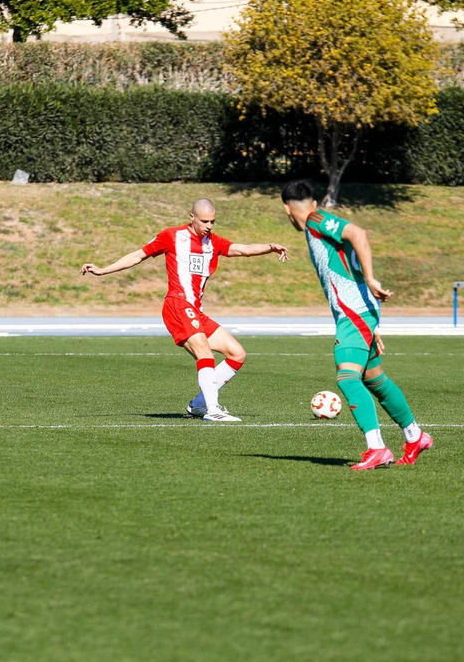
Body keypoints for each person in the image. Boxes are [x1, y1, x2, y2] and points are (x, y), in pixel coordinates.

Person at [81, 198, 288, 423]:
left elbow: (243, 249)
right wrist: (103, 270)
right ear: (192, 217)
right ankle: (213, 409)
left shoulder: (213, 242)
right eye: (204, 221)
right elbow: (138, 255)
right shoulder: (172, 236)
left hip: (195, 310)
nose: (209, 225)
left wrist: (270, 247)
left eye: (213, 221)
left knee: (237, 353)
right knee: (205, 354)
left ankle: (199, 404)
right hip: (177, 305)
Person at [279, 180, 432, 470]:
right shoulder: (314, 222)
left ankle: (377, 448)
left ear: (287, 208)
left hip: (355, 313)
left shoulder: (315, 220)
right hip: (360, 313)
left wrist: (372, 280)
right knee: (375, 380)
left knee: (347, 378)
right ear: (311, 201)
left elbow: (357, 233)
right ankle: (415, 436)